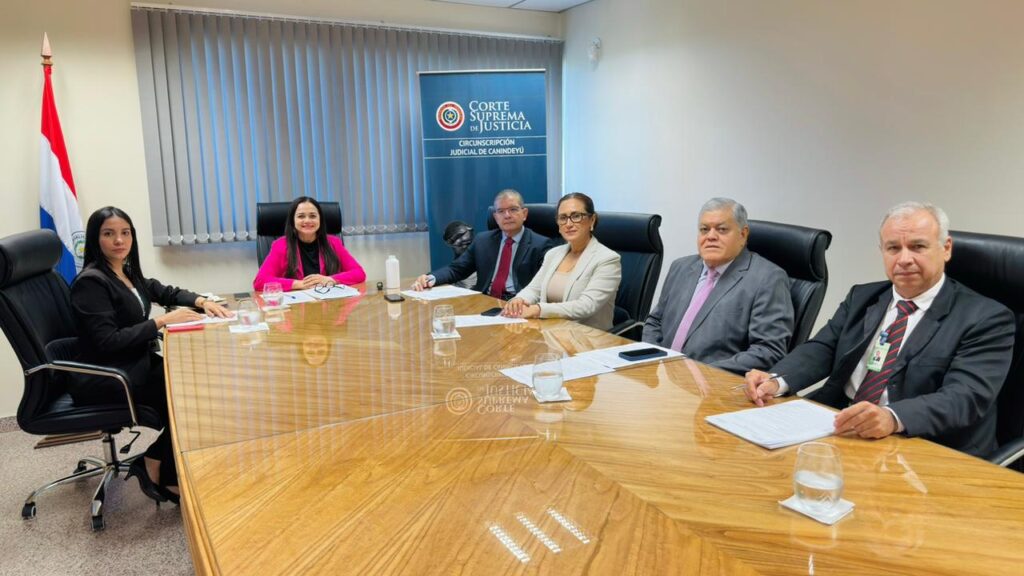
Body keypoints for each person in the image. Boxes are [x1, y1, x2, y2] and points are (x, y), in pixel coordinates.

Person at [744, 202, 1014, 457]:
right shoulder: (863, 297)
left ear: (946, 248)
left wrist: (892, 417)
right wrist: (777, 380)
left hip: (925, 444)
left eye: (918, 247)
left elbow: (964, 397)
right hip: (841, 425)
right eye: (893, 248)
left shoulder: (987, 318)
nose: (904, 259)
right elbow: (823, 348)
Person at [70, 206, 231, 504]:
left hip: (133, 363)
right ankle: (159, 468)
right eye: (109, 234)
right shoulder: (91, 282)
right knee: (191, 402)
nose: (119, 240)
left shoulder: (125, 272)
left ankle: (160, 464)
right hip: (110, 375)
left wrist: (201, 301)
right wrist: (162, 321)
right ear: (95, 239)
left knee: (199, 391)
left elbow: (164, 291)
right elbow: (107, 341)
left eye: (125, 233)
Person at [642, 198, 794, 374]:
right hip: (662, 375)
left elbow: (768, 350)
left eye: (722, 229)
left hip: (714, 382)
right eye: (704, 229)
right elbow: (655, 321)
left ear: (743, 234)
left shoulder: (768, 278)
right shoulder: (681, 267)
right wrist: (653, 358)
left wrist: (700, 373)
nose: (711, 236)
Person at [502, 193, 622, 331]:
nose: (569, 224)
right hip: (549, 333)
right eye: (563, 218)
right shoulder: (553, 254)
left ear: (592, 220)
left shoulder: (608, 259)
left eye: (576, 216)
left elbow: (586, 306)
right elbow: (534, 289)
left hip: (587, 337)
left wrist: (538, 309)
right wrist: (519, 300)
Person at [412, 189, 554, 299]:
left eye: (513, 209)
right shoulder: (483, 241)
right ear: (496, 217)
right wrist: (430, 278)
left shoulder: (541, 245)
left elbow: (544, 286)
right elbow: (457, 270)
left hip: (519, 303)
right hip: (485, 300)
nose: (507, 215)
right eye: (501, 211)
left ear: (524, 214)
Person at [253, 196, 366, 291]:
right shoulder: (281, 245)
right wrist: (299, 284)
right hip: (295, 306)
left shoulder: (333, 243)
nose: (307, 221)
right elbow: (260, 281)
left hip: (330, 303)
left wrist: (331, 280)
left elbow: (359, 273)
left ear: (320, 220)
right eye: (301, 216)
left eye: (312, 216)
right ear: (293, 221)